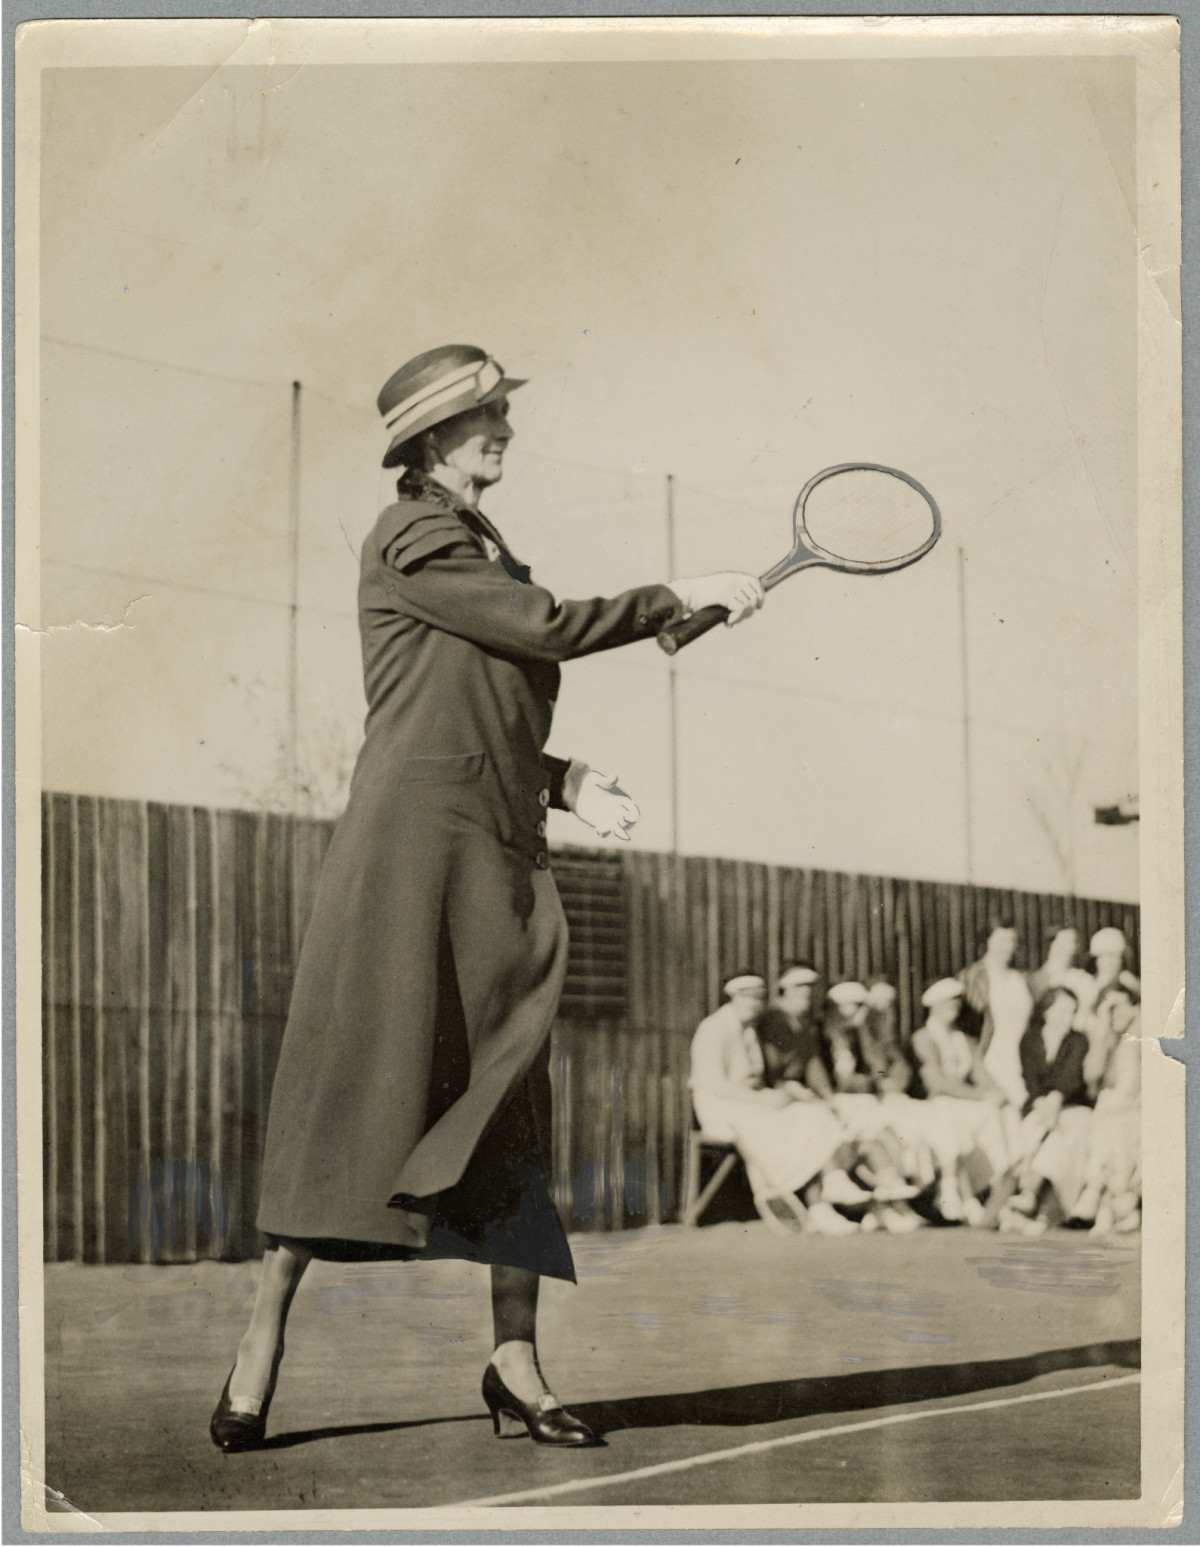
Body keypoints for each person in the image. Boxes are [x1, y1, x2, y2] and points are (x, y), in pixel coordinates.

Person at [210, 344, 765, 1452]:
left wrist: (561, 776)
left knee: (509, 1095)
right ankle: (259, 1341)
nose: (503, 426)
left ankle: (515, 1359)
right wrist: (678, 591)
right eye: (483, 416)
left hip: (490, 855)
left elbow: (476, 704)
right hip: (406, 864)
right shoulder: (414, 534)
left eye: (503, 409)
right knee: (352, 1097)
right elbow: (544, 629)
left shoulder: (480, 545)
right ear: (428, 443)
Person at [689, 973, 859, 1236]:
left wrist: (777, 1095)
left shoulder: (750, 1030)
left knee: (810, 1114)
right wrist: (764, 1099)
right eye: (746, 997)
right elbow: (715, 1085)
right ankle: (798, 1197)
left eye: (759, 998)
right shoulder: (714, 1027)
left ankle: (830, 1183)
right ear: (732, 998)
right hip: (719, 1107)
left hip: (749, 1104)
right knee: (785, 1125)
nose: (754, 1003)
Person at [909, 979, 1016, 1226]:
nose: (953, 1006)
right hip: (933, 1104)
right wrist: (978, 1095)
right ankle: (954, 1194)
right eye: (947, 1002)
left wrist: (998, 1093)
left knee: (995, 1113)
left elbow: (981, 1073)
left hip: (962, 1103)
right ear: (934, 1006)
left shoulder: (964, 1039)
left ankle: (999, 1188)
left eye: (956, 1002)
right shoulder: (923, 1038)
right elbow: (935, 1082)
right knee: (951, 1122)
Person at [820, 981, 924, 1231]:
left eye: (859, 1005)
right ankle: (886, 1205)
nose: (856, 1011)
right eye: (849, 1006)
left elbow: (879, 1067)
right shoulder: (829, 1035)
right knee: (871, 1128)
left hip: (860, 1102)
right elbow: (843, 1081)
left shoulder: (862, 1033)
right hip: (841, 1103)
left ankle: (888, 1206)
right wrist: (873, 1083)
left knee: (879, 1133)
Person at [1002, 986, 1092, 1232]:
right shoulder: (1030, 1039)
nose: (1068, 1017)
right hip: (1041, 1105)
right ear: (1047, 1011)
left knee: (1058, 1134)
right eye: (1062, 1011)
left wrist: (1054, 1102)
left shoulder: (1078, 1040)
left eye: (1072, 1012)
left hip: (1072, 1106)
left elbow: (1070, 1078)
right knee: (1038, 1128)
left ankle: (1029, 1192)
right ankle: (1036, 1206)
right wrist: (1044, 1105)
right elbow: (1030, 1079)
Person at [1069, 981, 1141, 1234]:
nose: (1115, 1014)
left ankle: (1098, 1197)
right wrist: (1102, 1029)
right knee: (1109, 1124)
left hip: (1139, 1113)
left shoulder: (1141, 1036)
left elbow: (1137, 1090)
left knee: (1110, 1122)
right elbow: (1092, 1077)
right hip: (1118, 1117)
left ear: (1135, 1007)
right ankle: (1118, 1206)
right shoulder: (1112, 1040)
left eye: (1120, 1006)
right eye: (1109, 1009)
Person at [959, 918, 1034, 1112]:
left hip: (1021, 1057)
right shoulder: (975, 976)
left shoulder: (1019, 978)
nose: (1007, 947)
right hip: (991, 1058)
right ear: (987, 942)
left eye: (1011, 941)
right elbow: (969, 1029)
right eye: (1000, 940)